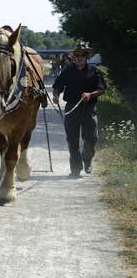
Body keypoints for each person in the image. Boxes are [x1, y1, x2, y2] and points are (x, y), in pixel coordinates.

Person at [52, 42, 106, 177]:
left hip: (89, 108)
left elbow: (101, 89)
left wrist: (90, 94)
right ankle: (75, 168)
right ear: (74, 56)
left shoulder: (95, 71)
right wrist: (55, 95)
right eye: (77, 55)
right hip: (71, 107)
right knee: (72, 140)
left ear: (87, 56)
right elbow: (57, 86)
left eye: (83, 55)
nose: (80, 57)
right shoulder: (67, 70)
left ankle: (87, 160)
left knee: (91, 138)